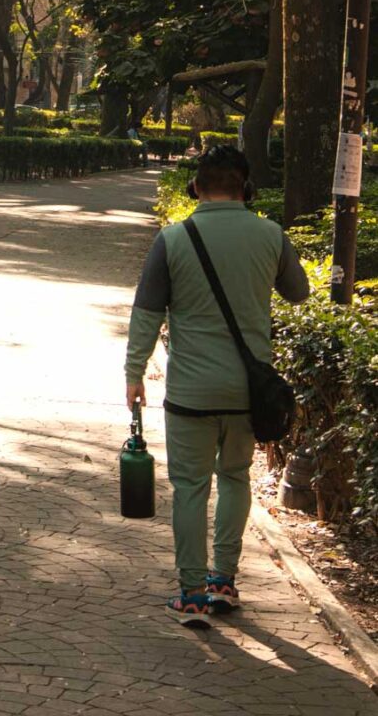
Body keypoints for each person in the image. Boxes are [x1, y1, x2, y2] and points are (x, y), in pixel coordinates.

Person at [124, 144, 309, 626]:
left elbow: (146, 314)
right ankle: (223, 581)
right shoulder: (270, 234)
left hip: (190, 392)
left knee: (189, 487)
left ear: (195, 187)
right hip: (248, 391)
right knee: (235, 478)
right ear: (246, 188)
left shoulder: (173, 238)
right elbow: (298, 291)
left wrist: (133, 373)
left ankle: (190, 594)